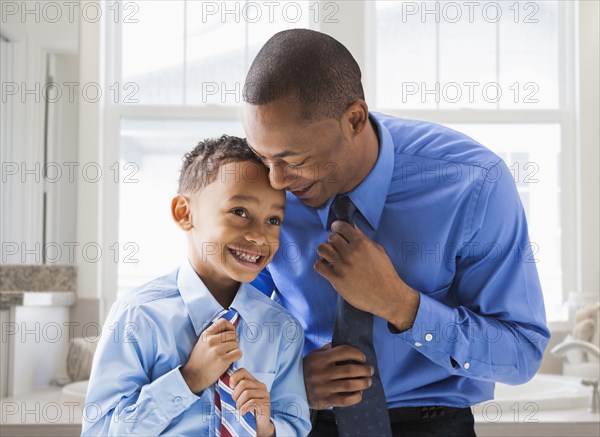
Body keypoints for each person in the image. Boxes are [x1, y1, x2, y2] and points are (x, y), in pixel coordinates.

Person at [242, 29, 550, 436]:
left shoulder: (472, 183)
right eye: (263, 157)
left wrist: (402, 306)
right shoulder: (258, 184)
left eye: (292, 160)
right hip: (301, 417)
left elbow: (521, 352)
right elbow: (225, 323)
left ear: (354, 119)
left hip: (433, 424)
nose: (276, 182)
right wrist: (288, 378)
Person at [82, 135, 311, 436]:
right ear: (184, 213)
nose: (259, 236)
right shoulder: (138, 317)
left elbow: (295, 425)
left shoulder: (282, 329)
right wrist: (188, 379)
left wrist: (266, 427)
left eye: (273, 220)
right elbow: (100, 431)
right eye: (240, 212)